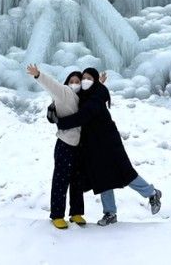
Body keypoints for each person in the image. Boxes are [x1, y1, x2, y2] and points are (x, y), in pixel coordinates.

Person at [55, 67, 162, 226]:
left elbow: (83, 116)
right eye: (83, 78)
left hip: (109, 142)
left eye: (89, 79)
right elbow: (69, 103)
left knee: (126, 173)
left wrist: (62, 123)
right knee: (102, 176)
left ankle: (152, 193)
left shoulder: (97, 95)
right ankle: (110, 213)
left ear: (95, 81)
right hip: (93, 145)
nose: (84, 81)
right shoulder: (86, 95)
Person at [27, 64, 86, 230]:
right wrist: (38, 75)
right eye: (72, 81)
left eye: (78, 81)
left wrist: (101, 83)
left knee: (76, 181)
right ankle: (57, 215)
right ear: (67, 83)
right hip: (65, 145)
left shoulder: (82, 99)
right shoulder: (64, 93)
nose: (75, 84)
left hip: (78, 146)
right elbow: (52, 84)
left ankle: (76, 213)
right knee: (61, 180)